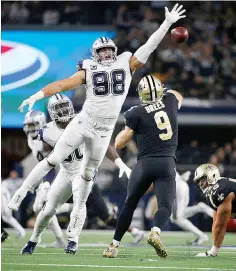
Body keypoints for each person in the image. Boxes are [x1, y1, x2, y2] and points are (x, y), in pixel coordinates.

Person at [10, 4, 186, 246]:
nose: (105, 55)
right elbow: (63, 85)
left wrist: (166, 25)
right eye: (101, 51)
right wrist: (37, 96)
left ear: (113, 50)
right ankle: (21, 194)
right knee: (54, 159)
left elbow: (148, 47)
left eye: (107, 50)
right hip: (85, 120)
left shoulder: (118, 63)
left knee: (87, 177)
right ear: (95, 54)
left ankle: (72, 238)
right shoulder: (95, 67)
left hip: (103, 129)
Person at [20, 94, 143, 255]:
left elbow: (104, 145)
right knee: (49, 207)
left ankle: (73, 240)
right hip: (66, 176)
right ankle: (42, 240)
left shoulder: (83, 122)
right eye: (59, 109)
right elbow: (48, 158)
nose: (63, 111)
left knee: (101, 214)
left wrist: (120, 163)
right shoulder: (46, 134)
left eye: (65, 107)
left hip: (84, 175)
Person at [103, 75, 183, 258]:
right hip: (167, 163)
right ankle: (155, 231)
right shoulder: (170, 101)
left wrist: (131, 128)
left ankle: (114, 246)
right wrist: (166, 91)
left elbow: (118, 144)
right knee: (165, 206)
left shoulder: (135, 112)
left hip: (145, 164)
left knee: (129, 204)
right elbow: (178, 96)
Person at [23, 110, 66, 248]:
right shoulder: (32, 140)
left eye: (33, 125)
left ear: (41, 123)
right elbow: (44, 164)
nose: (30, 129)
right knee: (38, 207)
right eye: (28, 126)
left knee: (43, 205)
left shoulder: (51, 135)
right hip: (50, 173)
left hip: (64, 172)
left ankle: (58, 238)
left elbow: (55, 163)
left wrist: (47, 183)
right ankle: (59, 239)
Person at [145, 171, 214, 245]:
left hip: (177, 188)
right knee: (179, 216)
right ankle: (200, 208)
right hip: (181, 185)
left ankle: (202, 235)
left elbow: (152, 184)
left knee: (177, 218)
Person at [193, 164, 236, 257]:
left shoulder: (221, 189)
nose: (200, 183)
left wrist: (213, 251)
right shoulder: (217, 189)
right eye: (199, 181)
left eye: (202, 179)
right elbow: (216, 222)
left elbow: (221, 225)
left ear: (212, 175)